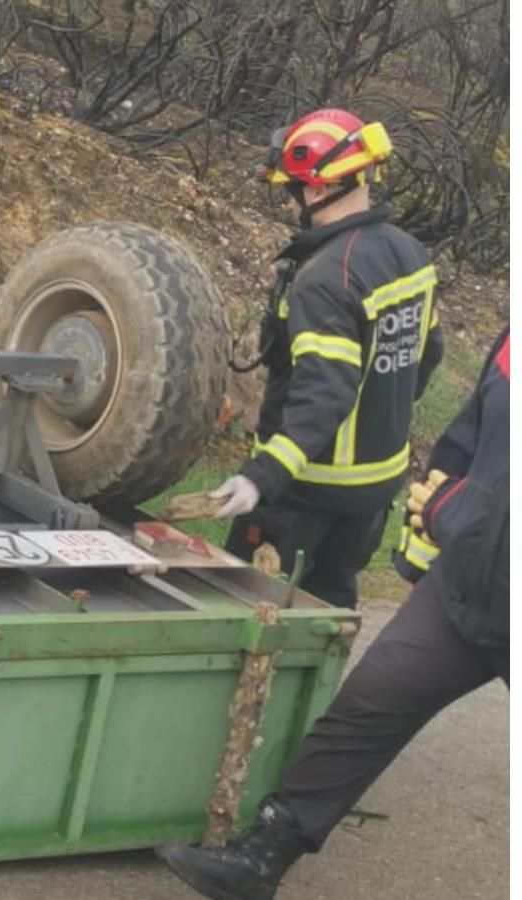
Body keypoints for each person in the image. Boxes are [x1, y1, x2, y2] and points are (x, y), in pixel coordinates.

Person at [159, 326, 509, 900]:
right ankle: (265, 853)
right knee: (370, 703)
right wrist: (425, 540)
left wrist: (456, 511)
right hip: (466, 580)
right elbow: (468, 439)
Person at [211, 108, 442, 609]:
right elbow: (427, 354)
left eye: (292, 189)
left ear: (316, 190)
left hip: (306, 493)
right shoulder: (410, 255)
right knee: (330, 611)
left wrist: (262, 477)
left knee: (244, 614)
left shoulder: (327, 279)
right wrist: (381, 405)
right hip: (375, 492)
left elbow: (325, 394)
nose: (292, 202)